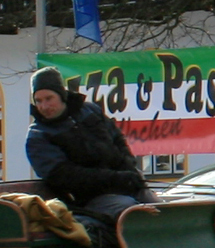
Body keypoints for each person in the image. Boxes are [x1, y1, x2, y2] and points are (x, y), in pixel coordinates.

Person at [25, 67, 151, 227]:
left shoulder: (90, 110)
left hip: (125, 186)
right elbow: (64, 177)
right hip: (85, 202)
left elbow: (118, 141)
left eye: (49, 98)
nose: (43, 106)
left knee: (164, 209)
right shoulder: (38, 136)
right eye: (38, 101)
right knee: (135, 213)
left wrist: (130, 171)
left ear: (61, 95)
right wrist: (114, 179)